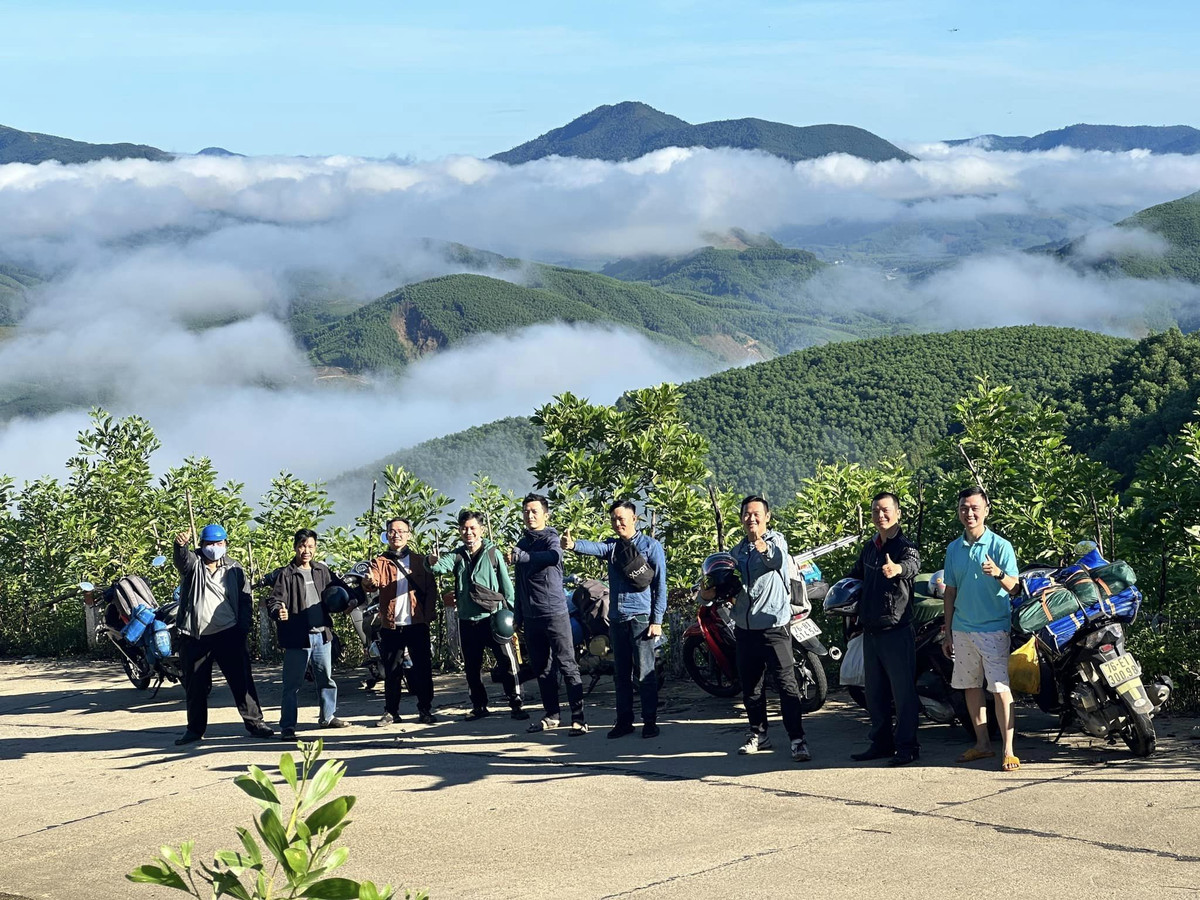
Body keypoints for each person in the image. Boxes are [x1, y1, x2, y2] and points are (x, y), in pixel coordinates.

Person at [563, 500, 666, 739]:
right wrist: (573, 545)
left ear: (634, 519)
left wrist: (657, 620)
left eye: (622, 518)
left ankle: (649, 721)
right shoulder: (612, 548)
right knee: (621, 673)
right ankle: (624, 721)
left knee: (645, 672)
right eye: (614, 519)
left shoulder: (651, 546)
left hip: (641, 618)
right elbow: (595, 547)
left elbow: (661, 586)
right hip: (617, 619)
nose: (617, 523)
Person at [724, 495, 810, 762]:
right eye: (747, 514)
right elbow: (726, 581)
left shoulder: (777, 542)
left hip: (774, 626)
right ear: (741, 519)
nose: (751, 518)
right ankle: (758, 734)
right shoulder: (737, 551)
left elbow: (776, 561)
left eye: (756, 514)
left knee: (786, 686)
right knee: (751, 687)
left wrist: (763, 547)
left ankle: (797, 739)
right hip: (745, 628)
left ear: (767, 517)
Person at [942, 486, 1021, 772]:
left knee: (1000, 688)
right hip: (963, 629)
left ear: (986, 510)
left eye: (975, 507)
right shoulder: (954, 548)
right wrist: (948, 631)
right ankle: (982, 744)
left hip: (994, 629)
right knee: (970, 687)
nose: (969, 513)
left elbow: (1015, 588)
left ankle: (1008, 750)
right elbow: (949, 592)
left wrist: (998, 573)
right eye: (964, 508)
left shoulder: (1001, 546)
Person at [172, 524, 273, 745]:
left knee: (242, 680)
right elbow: (182, 561)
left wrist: (242, 629)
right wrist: (180, 546)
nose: (214, 548)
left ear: (225, 544)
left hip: (229, 632)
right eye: (209, 544)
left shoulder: (234, 568)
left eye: (219, 543)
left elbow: (245, 600)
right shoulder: (194, 564)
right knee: (196, 685)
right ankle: (194, 730)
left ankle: (255, 723)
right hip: (196, 635)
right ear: (201, 545)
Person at [428, 509, 527, 721]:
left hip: (494, 618)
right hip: (467, 620)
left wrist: (514, 615)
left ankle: (516, 702)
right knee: (472, 668)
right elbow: (438, 568)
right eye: (464, 529)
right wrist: (432, 561)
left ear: (481, 529)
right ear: (459, 531)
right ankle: (479, 706)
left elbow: (507, 587)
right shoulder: (456, 555)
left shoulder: (493, 553)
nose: (468, 532)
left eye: (473, 528)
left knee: (508, 663)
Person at [848, 492, 922, 766]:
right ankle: (880, 743)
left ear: (898, 513)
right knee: (875, 692)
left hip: (896, 628)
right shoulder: (870, 547)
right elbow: (855, 576)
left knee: (902, 694)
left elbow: (913, 565)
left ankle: (907, 747)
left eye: (886, 510)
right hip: (871, 628)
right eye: (876, 511)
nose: (881, 515)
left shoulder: (904, 545)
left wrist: (898, 569)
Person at [509, 493, 587, 735]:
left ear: (545, 514)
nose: (530, 516)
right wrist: (518, 618)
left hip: (554, 613)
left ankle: (579, 718)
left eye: (534, 511)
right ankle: (552, 715)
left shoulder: (551, 539)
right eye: (526, 512)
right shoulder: (522, 544)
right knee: (542, 668)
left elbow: (554, 557)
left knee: (567, 664)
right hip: (531, 618)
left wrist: (522, 557)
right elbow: (520, 585)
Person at [267, 529, 348, 739]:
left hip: (322, 635)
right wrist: (278, 611)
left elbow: (343, 590)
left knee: (326, 679)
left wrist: (351, 600)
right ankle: (287, 727)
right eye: (303, 546)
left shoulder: (322, 571)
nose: (306, 550)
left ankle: (328, 717)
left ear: (315, 548)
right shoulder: (286, 574)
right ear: (295, 547)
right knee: (292, 684)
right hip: (298, 637)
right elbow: (274, 600)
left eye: (311, 546)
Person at [362, 517, 438, 726]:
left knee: (423, 668)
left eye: (401, 531)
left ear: (409, 535)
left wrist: (428, 615)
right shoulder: (379, 562)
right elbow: (372, 581)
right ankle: (391, 711)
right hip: (391, 624)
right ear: (386, 535)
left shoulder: (420, 561)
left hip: (417, 622)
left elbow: (431, 589)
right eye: (392, 531)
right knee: (392, 670)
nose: (396, 535)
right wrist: (368, 581)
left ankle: (425, 708)